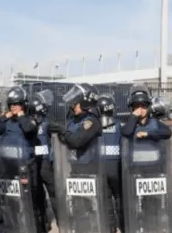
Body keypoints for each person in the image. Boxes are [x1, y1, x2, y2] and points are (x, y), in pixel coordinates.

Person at [48, 83, 113, 232]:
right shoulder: (75, 120)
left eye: (75, 103)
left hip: (90, 171)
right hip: (76, 169)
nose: (72, 106)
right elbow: (68, 139)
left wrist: (63, 131)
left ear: (85, 102)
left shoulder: (92, 122)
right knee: (77, 208)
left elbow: (77, 141)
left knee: (91, 209)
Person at [121, 86, 172, 232]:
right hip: (136, 171)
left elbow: (167, 132)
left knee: (154, 206)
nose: (140, 110)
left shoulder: (155, 123)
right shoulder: (131, 124)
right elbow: (126, 133)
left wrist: (148, 134)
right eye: (136, 106)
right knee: (138, 206)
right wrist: (133, 117)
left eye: (143, 106)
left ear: (148, 107)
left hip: (154, 171)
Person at [0, 86, 45, 232]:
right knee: (9, 203)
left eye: (16, 104)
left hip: (26, 169)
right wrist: (2, 117)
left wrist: (20, 116)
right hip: (8, 170)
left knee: (30, 203)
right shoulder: (5, 122)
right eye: (11, 104)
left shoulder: (32, 119)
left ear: (23, 104)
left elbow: (28, 129)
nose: (13, 107)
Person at [28, 89, 57, 231]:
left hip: (34, 164)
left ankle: (43, 224)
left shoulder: (28, 125)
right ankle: (61, 221)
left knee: (39, 197)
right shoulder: (45, 124)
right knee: (53, 193)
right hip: (45, 164)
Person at [96, 94, 124, 232]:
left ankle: (111, 228)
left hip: (101, 167)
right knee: (119, 197)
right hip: (116, 166)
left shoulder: (94, 127)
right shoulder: (118, 125)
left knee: (106, 199)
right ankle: (123, 225)